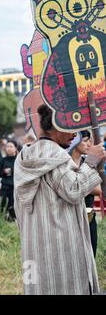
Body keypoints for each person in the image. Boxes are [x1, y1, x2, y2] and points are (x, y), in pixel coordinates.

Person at [14, 104, 103, 295]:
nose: (75, 135)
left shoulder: (25, 154)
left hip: (34, 242)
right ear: (55, 125)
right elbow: (73, 189)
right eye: (70, 128)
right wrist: (92, 162)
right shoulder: (56, 156)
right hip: (62, 246)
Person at [67, 131, 99, 258]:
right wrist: (85, 183)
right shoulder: (65, 162)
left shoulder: (89, 162)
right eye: (85, 140)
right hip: (69, 217)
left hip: (89, 215)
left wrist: (76, 185)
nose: (89, 144)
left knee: (91, 254)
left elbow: (98, 189)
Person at [0, 140, 18, 222]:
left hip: (15, 187)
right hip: (5, 186)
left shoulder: (19, 160)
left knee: (13, 206)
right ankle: (2, 221)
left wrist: (12, 171)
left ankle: (12, 221)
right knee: (1, 205)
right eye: (7, 146)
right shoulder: (3, 160)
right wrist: (4, 172)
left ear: (15, 148)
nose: (8, 148)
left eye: (11, 146)